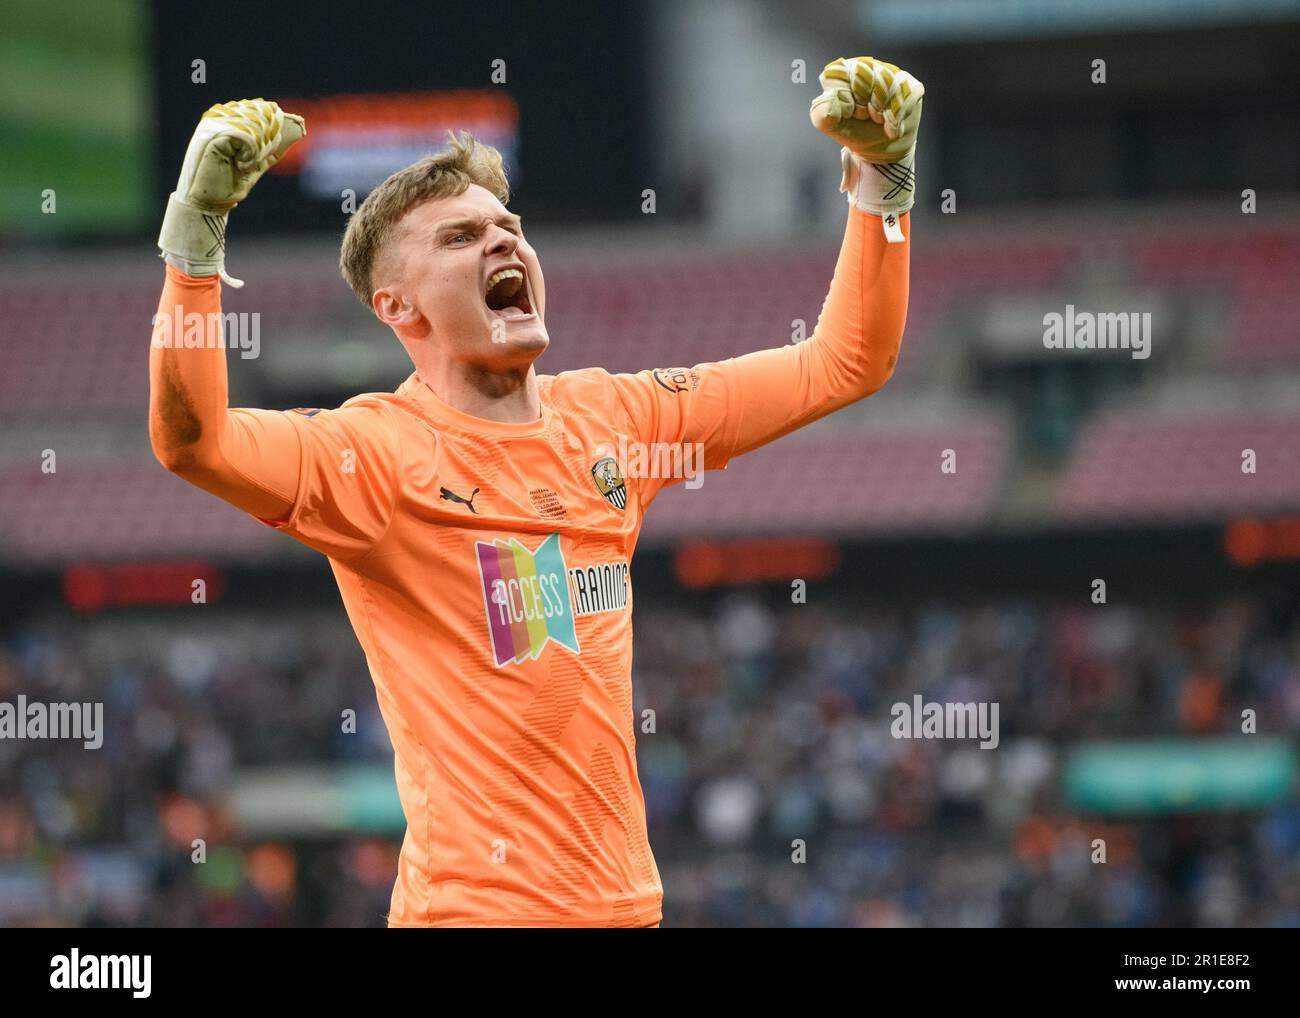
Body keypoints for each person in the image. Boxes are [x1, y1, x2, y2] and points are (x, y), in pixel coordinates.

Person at [148, 57, 923, 927]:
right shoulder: (371, 454)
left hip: (626, 910)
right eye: (460, 237)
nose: (504, 241)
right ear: (397, 307)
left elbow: (847, 361)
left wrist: (883, 179)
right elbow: (194, 441)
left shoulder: (618, 422)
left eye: (507, 224)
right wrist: (197, 237)